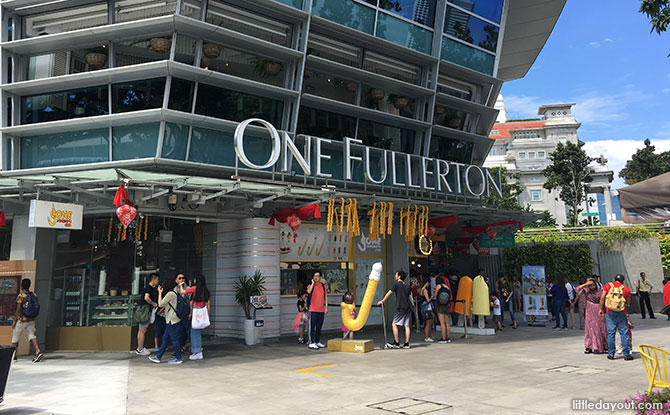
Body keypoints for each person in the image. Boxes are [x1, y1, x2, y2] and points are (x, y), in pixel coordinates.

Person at [599, 274, 633, 361]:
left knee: (611, 333)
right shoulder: (625, 288)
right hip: (621, 312)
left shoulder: (608, 285)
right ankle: (626, 354)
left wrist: (601, 309)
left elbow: (602, 297)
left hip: (610, 312)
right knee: (624, 333)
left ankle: (611, 354)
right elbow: (628, 303)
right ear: (623, 281)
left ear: (614, 279)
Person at [149, 279, 183, 364]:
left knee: (174, 339)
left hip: (172, 320)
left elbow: (160, 304)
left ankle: (178, 358)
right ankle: (158, 357)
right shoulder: (173, 293)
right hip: (170, 320)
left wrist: (159, 293)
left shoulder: (170, 294)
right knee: (165, 339)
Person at [377, 270, 411, 349]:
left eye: (396, 274)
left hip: (400, 307)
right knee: (406, 325)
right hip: (407, 307)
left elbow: (389, 292)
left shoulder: (396, 284)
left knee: (394, 324)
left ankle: (396, 342)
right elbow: (410, 297)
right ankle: (407, 343)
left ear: (399, 276)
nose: (395, 276)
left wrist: (382, 301)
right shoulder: (407, 286)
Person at [12, 278, 42, 362]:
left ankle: (14, 355)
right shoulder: (34, 295)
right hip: (32, 319)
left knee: (16, 336)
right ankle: (37, 351)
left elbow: (18, 309)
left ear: (21, 286)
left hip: (23, 319)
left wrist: (14, 320)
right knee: (32, 334)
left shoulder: (21, 296)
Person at [576, 278, 607, 354]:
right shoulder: (586, 291)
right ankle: (589, 346)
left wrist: (601, 309)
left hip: (598, 309)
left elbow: (603, 299)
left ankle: (603, 346)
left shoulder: (599, 291)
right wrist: (586, 284)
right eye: (590, 286)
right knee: (590, 328)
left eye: (593, 285)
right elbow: (577, 290)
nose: (592, 287)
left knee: (600, 328)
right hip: (589, 310)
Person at [184, 275, 210, 360]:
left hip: (196, 312)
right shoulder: (206, 291)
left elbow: (183, 291)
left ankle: (197, 352)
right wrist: (207, 316)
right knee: (198, 333)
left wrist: (181, 284)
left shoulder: (195, 288)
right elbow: (208, 305)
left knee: (194, 332)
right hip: (202, 312)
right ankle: (197, 350)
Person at [136, 273, 160, 356]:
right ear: (153, 279)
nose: (158, 281)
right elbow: (146, 298)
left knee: (141, 330)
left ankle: (140, 348)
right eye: (157, 280)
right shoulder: (149, 288)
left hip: (143, 310)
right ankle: (140, 348)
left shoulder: (149, 288)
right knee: (143, 329)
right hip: (145, 311)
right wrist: (153, 303)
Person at [307, 271, 328, 349]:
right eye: (314, 276)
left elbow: (325, 297)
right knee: (312, 327)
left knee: (319, 327)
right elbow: (308, 291)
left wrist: (326, 307)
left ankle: (317, 341)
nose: (316, 278)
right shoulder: (310, 286)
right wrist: (312, 283)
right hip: (313, 309)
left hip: (321, 310)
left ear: (320, 278)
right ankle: (311, 342)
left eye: (317, 276)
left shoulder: (323, 286)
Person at [434, 276, 452, 343]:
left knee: (442, 322)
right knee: (446, 322)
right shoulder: (446, 286)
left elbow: (435, 296)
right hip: (447, 305)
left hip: (440, 305)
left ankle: (443, 338)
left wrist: (434, 292)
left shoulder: (438, 286)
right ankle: (448, 337)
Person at [175, 273, 190, 353]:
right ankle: (180, 347)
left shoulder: (188, 288)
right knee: (179, 330)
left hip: (186, 312)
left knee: (186, 330)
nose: (182, 280)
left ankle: (186, 345)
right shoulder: (175, 289)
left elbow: (189, 300)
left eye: (183, 278)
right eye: (180, 278)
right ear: (176, 280)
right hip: (178, 313)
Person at [420, 276, 434, 342]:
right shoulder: (425, 290)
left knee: (428, 322)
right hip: (427, 307)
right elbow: (428, 300)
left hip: (423, 307)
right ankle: (427, 337)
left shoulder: (422, 289)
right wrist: (433, 296)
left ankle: (428, 336)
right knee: (428, 323)